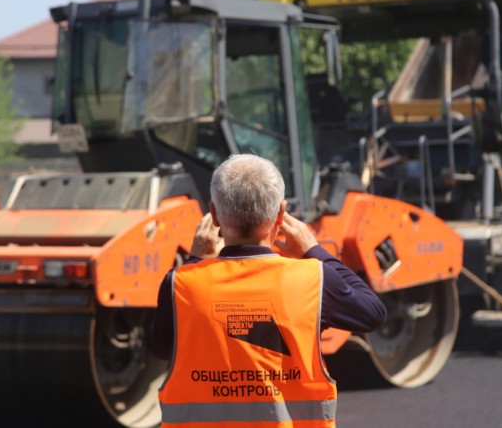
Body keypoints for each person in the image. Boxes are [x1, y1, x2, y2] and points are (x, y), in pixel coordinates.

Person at [149, 153, 387, 427]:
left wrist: (194, 262)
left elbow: (161, 347)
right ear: (281, 214)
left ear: (213, 215)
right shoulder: (314, 279)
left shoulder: (179, 284)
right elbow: (373, 313)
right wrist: (316, 251)